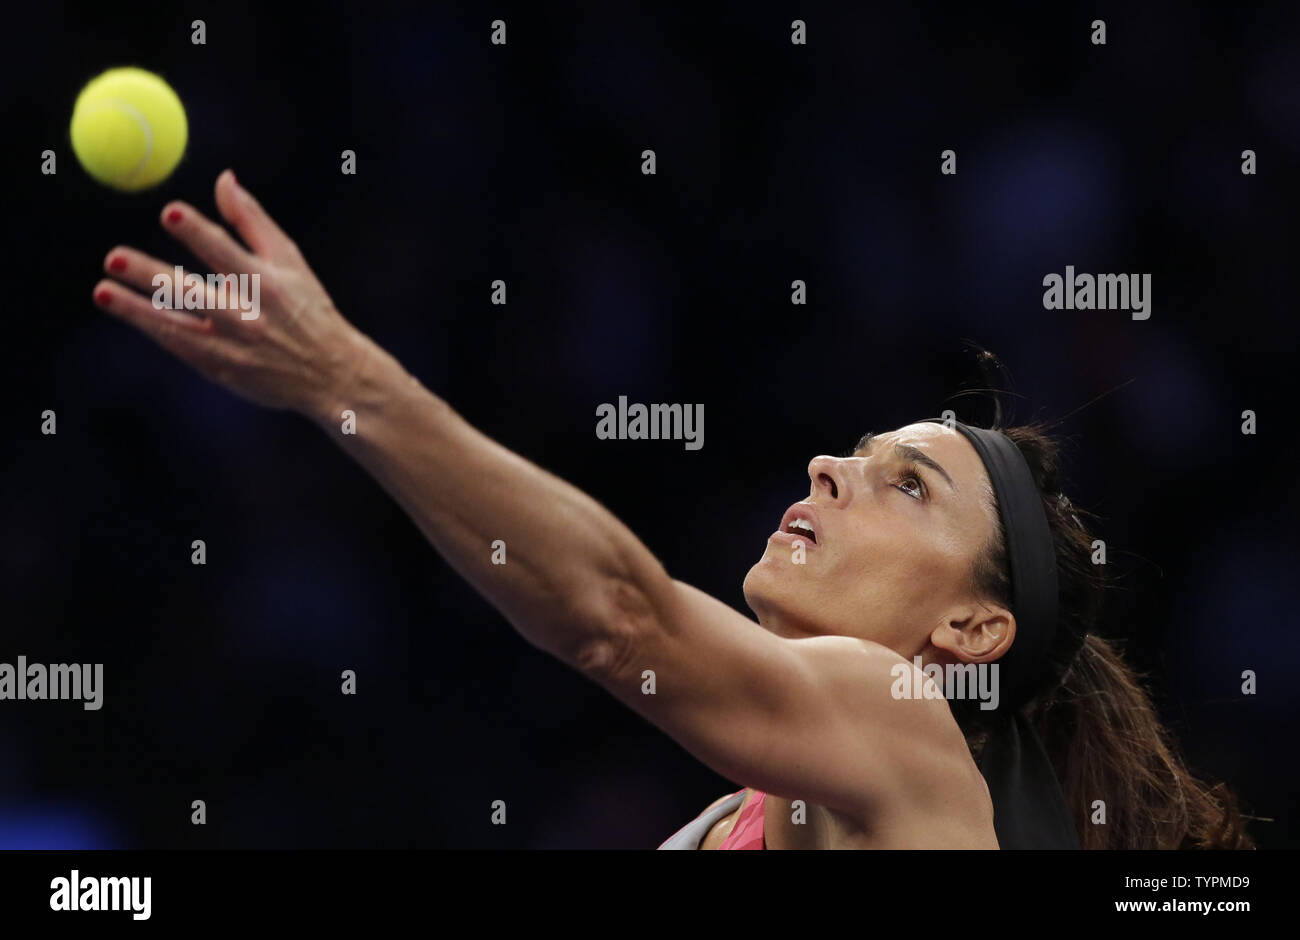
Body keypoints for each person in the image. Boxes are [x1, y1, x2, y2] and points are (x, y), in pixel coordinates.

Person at [92, 170, 1252, 849]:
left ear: (969, 631)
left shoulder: (909, 724)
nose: (827, 470)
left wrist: (346, 382)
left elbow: (615, 617)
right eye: (855, 450)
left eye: (908, 483)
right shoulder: (729, 823)